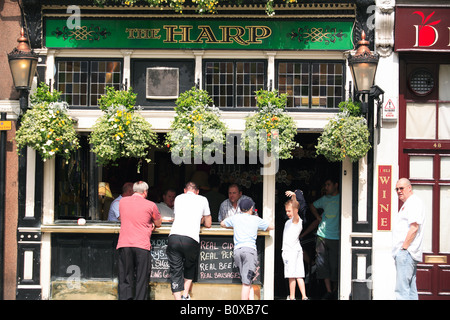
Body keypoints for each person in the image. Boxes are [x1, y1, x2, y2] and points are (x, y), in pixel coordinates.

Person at [116, 181, 162, 300]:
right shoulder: (151, 205)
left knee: (125, 276)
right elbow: (158, 223)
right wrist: (151, 223)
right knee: (142, 278)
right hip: (142, 245)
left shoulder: (122, 202)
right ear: (145, 192)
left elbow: (124, 217)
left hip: (124, 243)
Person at [220, 198, 274, 300]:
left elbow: (222, 223)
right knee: (246, 282)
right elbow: (271, 226)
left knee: (247, 280)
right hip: (249, 252)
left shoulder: (235, 218)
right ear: (251, 208)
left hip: (237, 251)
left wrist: (235, 226)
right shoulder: (255, 219)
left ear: (240, 208)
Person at [167, 181, 212, 300]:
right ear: (197, 191)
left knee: (175, 270)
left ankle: (177, 299)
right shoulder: (202, 199)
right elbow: (208, 224)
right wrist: (201, 220)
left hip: (174, 237)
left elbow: (179, 216)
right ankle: (185, 295)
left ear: (185, 190)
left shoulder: (178, 198)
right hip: (191, 238)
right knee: (189, 266)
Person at [392, 178, 425, 300]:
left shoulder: (413, 203)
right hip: (407, 253)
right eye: (397, 189)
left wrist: (404, 249)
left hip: (406, 253)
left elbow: (414, 227)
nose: (399, 191)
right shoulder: (409, 204)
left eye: (402, 188)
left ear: (409, 188)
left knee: (401, 291)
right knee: (410, 290)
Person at [309, 177, 340, 300]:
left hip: (336, 237)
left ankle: (336, 290)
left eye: (328, 184)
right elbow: (312, 205)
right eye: (325, 185)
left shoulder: (342, 198)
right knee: (322, 264)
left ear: (335, 185)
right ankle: (328, 291)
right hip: (322, 235)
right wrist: (318, 217)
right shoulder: (324, 199)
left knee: (335, 265)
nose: (326, 187)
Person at [283, 190, 308, 300]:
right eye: (286, 211)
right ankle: (304, 296)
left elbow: (295, 207)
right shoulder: (289, 221)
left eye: (289, 211)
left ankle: (292, 297)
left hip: (291, 251)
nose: (288, 213)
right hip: (296, 249)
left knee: (291, 275)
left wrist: (293, 196)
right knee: (299, 275)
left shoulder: (296, 220)